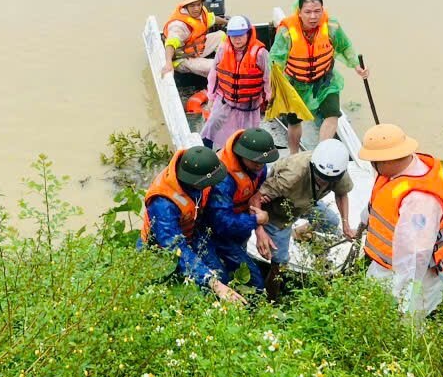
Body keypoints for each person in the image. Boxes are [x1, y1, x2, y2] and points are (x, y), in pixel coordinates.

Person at [357, 124, 443, 319]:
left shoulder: (419, 201)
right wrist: (359, 226)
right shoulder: (395, 173)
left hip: (417, 277)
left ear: (387, 161)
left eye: (373, 161)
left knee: (408, 327)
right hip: (386, 265)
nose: (371, 166)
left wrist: (403, 298)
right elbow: (378, 204)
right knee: (373, 312)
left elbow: (415, 256)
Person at [249, 138, 355, 300]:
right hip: (279, 213)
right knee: (280, 263)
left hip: (307, 202)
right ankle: (271, 300)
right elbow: (255, 199)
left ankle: (299, 233)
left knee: (331, 222)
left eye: (329, 180)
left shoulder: (337, 171)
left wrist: (346, 225)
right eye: (320, 177)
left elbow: (341, 193)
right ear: (313, 167)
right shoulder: (292, 175)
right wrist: (260, 231)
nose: (324, 181)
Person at [141, 145, 247, 305]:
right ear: (195, 182)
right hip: (160, 247)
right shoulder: (163, 203)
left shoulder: (199, 179)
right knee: (205, 288)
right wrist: (214, 284)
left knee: (221, 276)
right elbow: (175, 247)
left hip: (192, 232)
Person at [269, 0, 368, 153]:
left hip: (325, 81)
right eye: (308, 12)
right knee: (294, 122)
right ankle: (294, 155)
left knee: (332, 114)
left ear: (323, 10)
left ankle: (322, 152)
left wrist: (356, 65)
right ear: (299, 12)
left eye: (317, 11)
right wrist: (274, 86)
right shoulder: (287, 32)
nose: (313, 16)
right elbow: (275, 59)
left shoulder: (331, 26)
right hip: (296, 83)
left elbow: (345, 46)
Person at [200, 128, 279, 292]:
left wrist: (259, 229)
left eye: (262, 161)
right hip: (214, 232)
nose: (260, 164)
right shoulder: (223, 178)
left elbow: (256, 195)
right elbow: (221, 222)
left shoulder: (259, 167)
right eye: (255, 160)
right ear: (241, 154)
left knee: (240, 266)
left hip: (241, 225)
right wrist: (256, 221)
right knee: (250, 280)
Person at [200, 16, 272, 149]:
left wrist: (269, 98)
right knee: (211, 127)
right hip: (225, 100)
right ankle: (206, 153)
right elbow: (214, 75)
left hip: (249, 105)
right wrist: (211, 98)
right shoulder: (223, 49)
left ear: (248, 33)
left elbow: (268, 78)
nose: (237, 39)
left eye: (240, 35)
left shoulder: (260, 53)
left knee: (247, 138)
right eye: (233, 36)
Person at [160, 0, 227, 77]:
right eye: (192, 6)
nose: (196, 8)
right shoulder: (179, 25)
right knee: (214, 66)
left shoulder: (201, 13)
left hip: (197, 48)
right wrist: (168, 63)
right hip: (182, 58)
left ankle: (227, 58)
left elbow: (213, 19)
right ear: (185, 7)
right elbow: (170, 44)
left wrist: (228, 22)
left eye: (198, 5)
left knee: (221, 35)